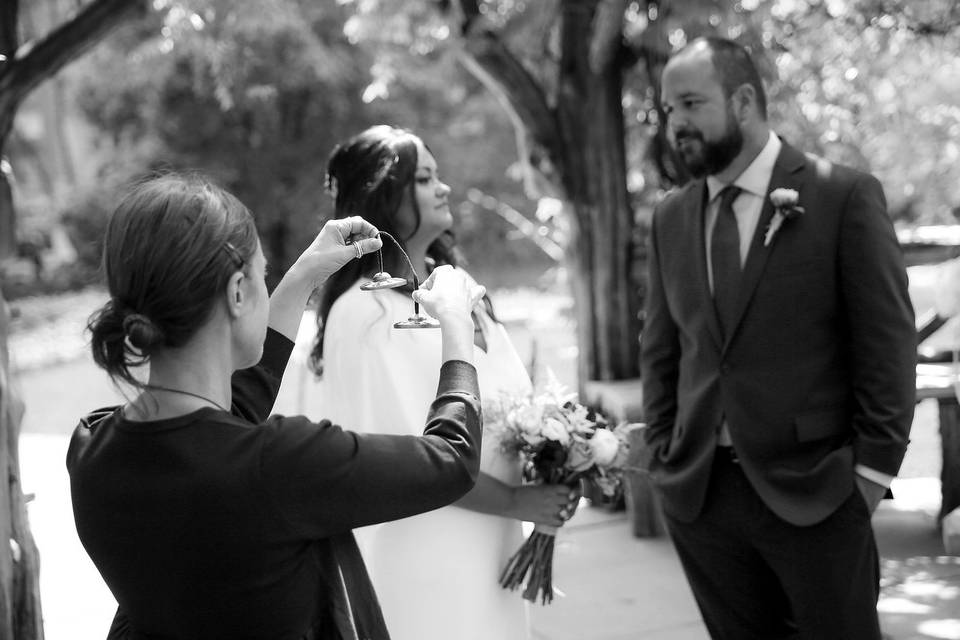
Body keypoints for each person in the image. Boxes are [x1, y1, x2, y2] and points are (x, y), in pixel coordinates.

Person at [68, 172, 489, 640]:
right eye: (261, 277)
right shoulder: (282, 465)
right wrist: (456, 326)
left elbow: (221, 426)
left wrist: (303, 275)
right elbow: (451, 460)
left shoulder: (92, 449)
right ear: (236, 293)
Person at [641, 37, 916, 639]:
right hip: (702, 499)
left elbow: (888, 347)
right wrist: (666, 458)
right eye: (667, 110)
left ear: (743, 101)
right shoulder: (671, 217)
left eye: (690, 104)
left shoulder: (841, 196)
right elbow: (661, 352)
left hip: (816, 492)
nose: (675, 124)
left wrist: (868, 479)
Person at [300, 125, 579, 640]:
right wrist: (518, 502)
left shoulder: (455, 289)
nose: (444, 187)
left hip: (489, 541)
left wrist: (559, 454)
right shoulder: (362, 312)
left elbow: (505, 402)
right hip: (424, 551)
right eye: (424, 178)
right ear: (382, 196)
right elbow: (413, 454)